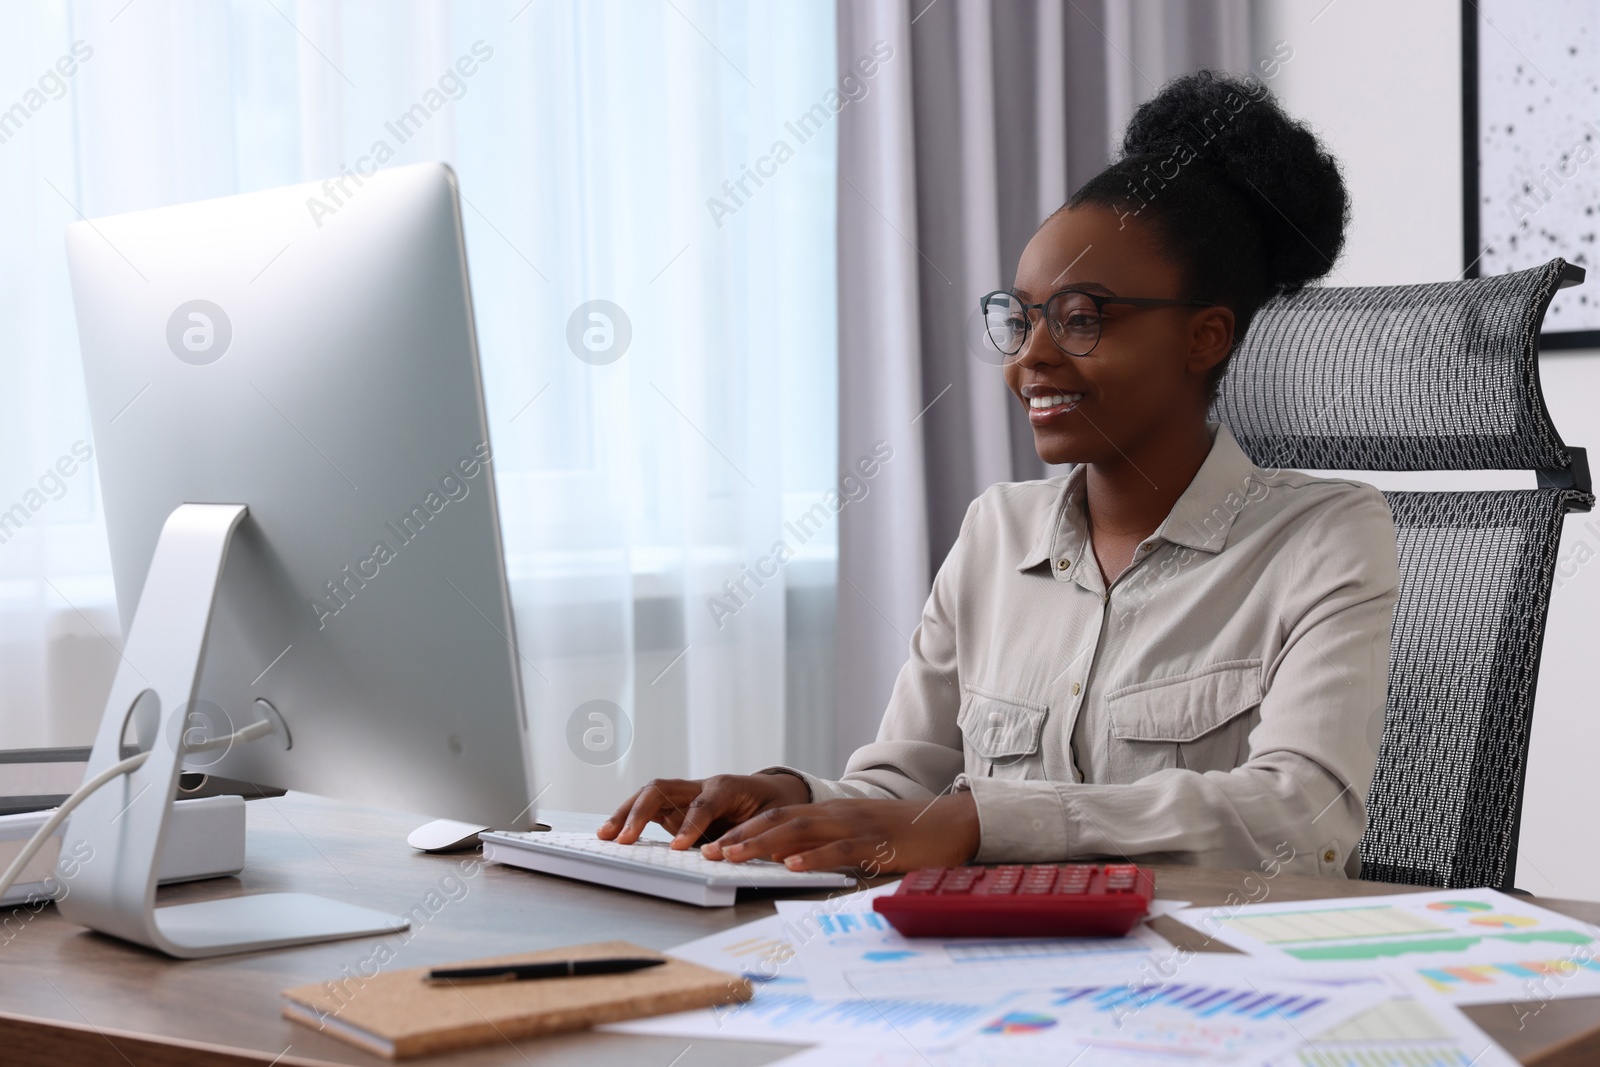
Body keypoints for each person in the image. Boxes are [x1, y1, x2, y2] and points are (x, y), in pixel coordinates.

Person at [600, 70, 1400, 879]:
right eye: (1020, 318)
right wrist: (784, 796)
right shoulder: (996, 532)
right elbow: (901, 784)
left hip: (1212, 978)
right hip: (1001, 974)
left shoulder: (1325, 535)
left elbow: (1303, 815)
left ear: (1205, 338)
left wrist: (985, 822)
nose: (1030, 357)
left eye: (1081, 318)